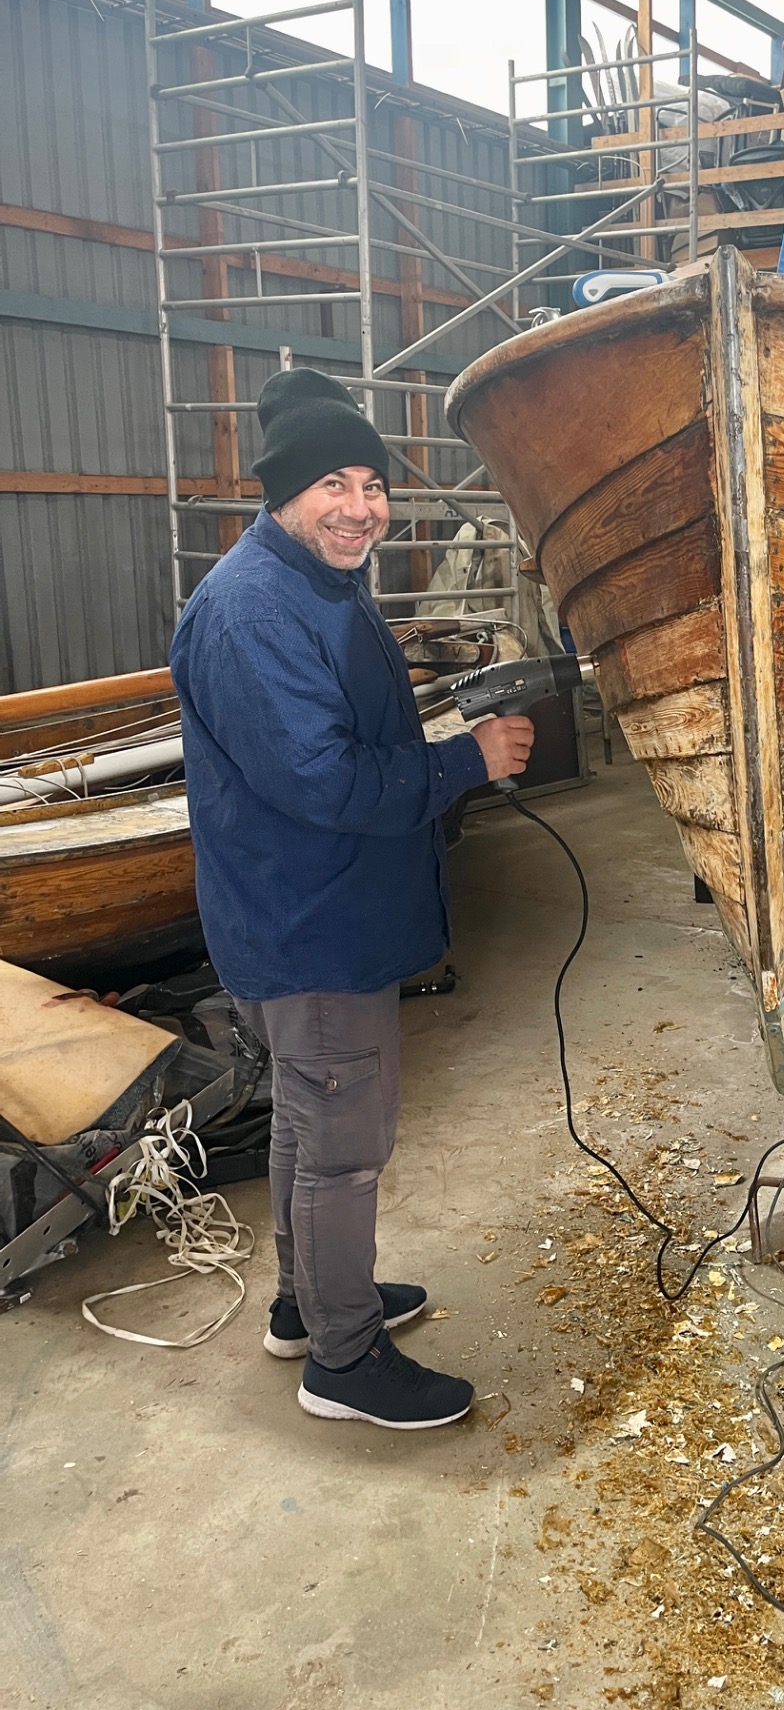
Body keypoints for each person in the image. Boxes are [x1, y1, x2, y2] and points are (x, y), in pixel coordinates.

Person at [171, 367, 534, 1428]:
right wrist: (464, 761)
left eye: (372, 484)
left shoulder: (320, 584)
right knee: (343, 1147)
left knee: (305, 1124)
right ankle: (343, 1359)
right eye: (334, 483)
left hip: (311, 911)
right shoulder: (252, 610)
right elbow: (322, 780)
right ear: (282, 492)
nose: (361, 507)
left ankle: (308, 1303)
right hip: (310, 924)